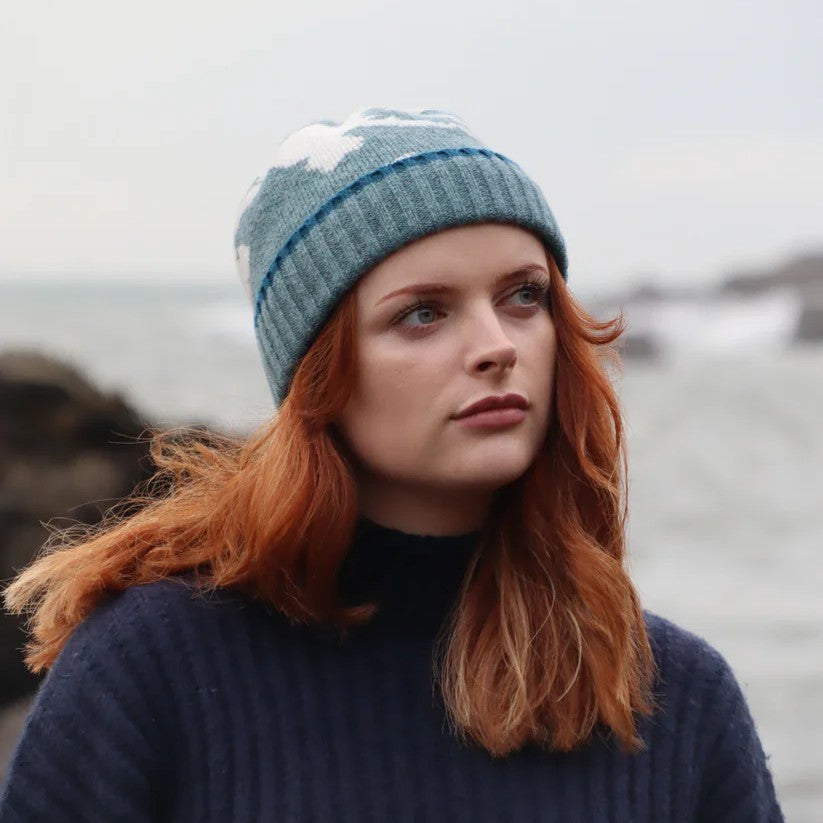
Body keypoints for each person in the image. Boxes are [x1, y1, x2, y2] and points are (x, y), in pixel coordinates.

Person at [0, 106, 783, 822]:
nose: (496, 345)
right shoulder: (149, 668)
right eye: (422, 313)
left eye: (522, 296)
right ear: (320, 374)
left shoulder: (674, 699)